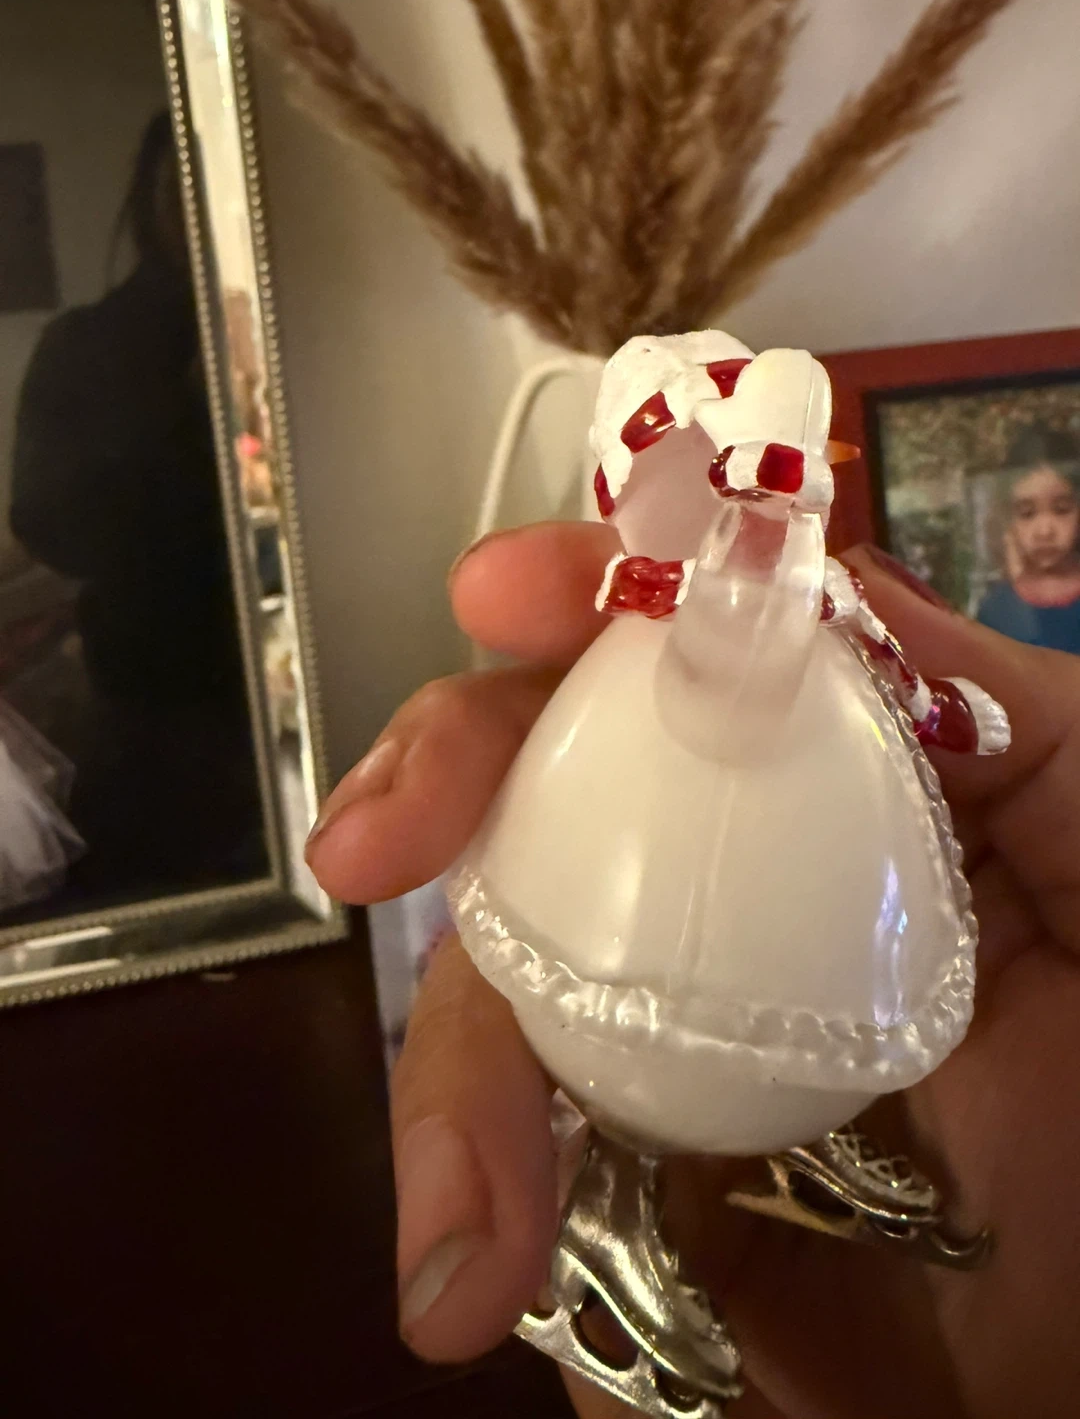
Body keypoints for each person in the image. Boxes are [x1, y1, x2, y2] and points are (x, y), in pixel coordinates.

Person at [307, 522, 1080, 1418]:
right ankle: (615, 1192)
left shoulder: (823, 633)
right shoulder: (667, 598)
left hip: (849, 1009)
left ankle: (729, 1155)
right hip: (678, 702)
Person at [10, 111, 263, 898]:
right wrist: (174, 416)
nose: (195, 211)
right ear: (149, 195)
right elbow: (46, 521)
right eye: (177, 189)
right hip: (149, 672)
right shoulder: (87, 345)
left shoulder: (279, 329)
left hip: (283, 657)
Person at [976, 428, 1080, 654]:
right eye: (1027, 513)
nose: (1045, 531)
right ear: (1008, 518)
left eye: (1061, 509)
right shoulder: (996, 610)